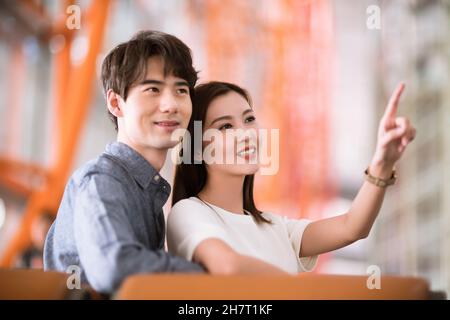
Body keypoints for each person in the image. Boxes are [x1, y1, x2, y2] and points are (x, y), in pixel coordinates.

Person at [167, 81, 416, 275]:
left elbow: (352, 227)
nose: (246, 134)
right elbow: (226, 266)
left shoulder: (275, 227)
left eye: (249, 119)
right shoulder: (189, 212)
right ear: (197, 148)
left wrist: (383, 163)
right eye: (225, 127)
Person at [44, 30, 204, 295]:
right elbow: (115, 267)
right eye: (153, 89)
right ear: (116, 103)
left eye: (181, 90)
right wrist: (214, 273)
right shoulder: (102, 180)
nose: (170, 104)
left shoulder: (146, 189)